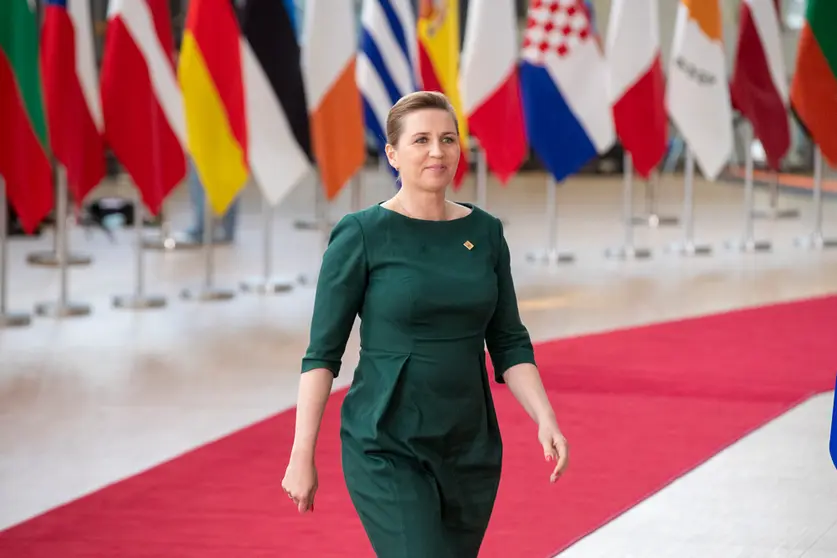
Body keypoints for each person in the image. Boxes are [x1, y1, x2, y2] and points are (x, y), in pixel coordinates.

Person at [281, 91, 569, 557]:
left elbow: (509, 341)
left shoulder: (485, 232)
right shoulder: (361, 234)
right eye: (421, 140)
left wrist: (545, 417)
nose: (437, 151)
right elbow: (322, 355)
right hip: (386, 440)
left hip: (469, 444)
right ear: (392, 154)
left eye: (447, 139)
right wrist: (301, 455)